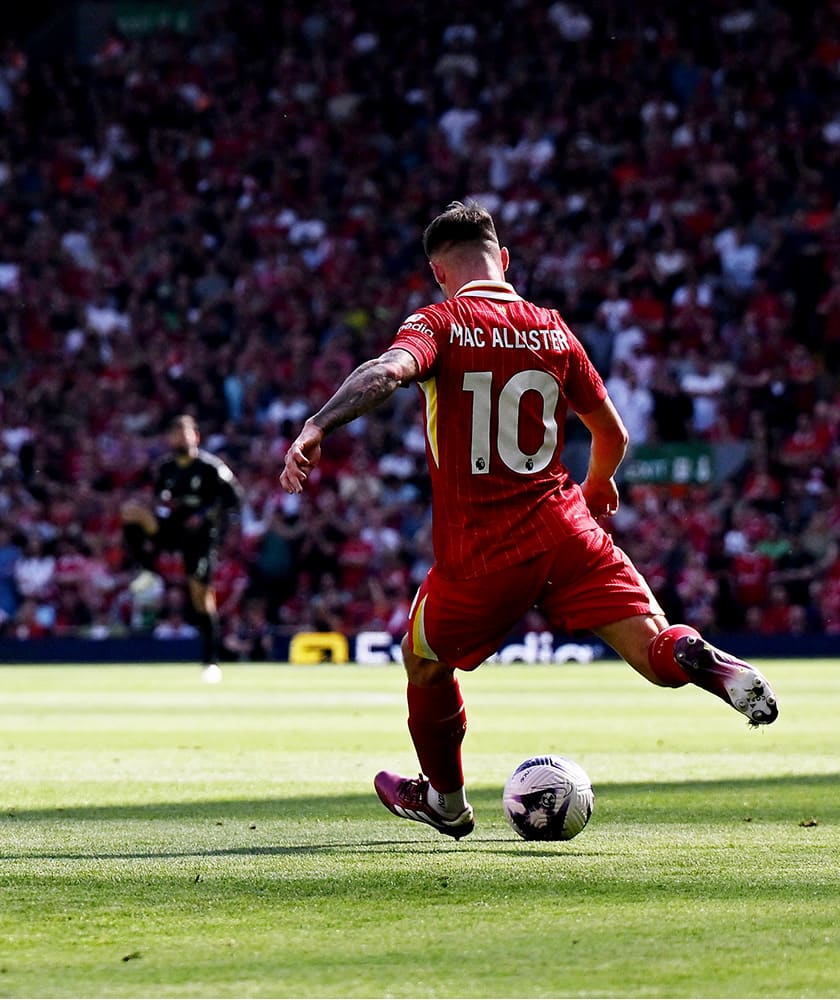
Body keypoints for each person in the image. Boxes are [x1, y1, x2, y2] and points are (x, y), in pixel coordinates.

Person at [280, 201, 778, 840]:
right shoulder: (553, 330)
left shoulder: (440, 322)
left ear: (439, 273)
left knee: (424, 657)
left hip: (482, 552)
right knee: (655, 652)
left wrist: (318, 424)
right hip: (569, 529)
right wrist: (598, 484)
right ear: (504, 259)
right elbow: (612, 433)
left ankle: (446, 801)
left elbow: (388, 372)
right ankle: (705, 660)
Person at [123, 414, 243, 683]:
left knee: (201, 597)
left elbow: (234, 498)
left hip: (200, 536)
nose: (180, 439)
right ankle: (147, 570)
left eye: (185, 434)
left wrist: (205, 515)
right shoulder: (165, 468)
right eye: (176, 434)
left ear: (196, 437)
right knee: (131, 512)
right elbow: (159, 498)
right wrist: (163, 506)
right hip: (172, 529)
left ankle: (211, 660)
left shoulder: (211, 467)